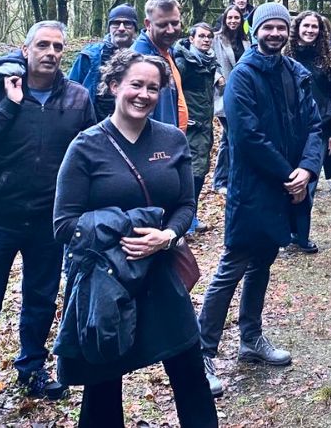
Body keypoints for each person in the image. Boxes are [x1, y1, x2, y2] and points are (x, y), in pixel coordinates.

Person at [52, 50, 218, 428]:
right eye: (136, 85)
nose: (144, 94)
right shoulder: (86, 146)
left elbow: (185, 204)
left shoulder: (172, 140)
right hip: (108, 282)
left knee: (190, 373)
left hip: (161, 274)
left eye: (153, 88)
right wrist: (128, 227)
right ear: (114, 86)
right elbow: (64, 224)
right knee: (103, 386)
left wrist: (168, 235)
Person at [0, 21, 95, 421]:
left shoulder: (78, 98)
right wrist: (8, 105)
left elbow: (89, 155)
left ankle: (32, 369)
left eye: (58, 47)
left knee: (41, 301)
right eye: (42, 45)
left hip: (49, 221)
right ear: (25, 50)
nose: (51, 53)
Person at [199, 3, 323, 397]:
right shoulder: (243, 76)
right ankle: (202, 352)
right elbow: (247, 136)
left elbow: (314, 125)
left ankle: (250, 339)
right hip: (253, 189)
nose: (275, 33)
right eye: (268, 27)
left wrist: (308, 168)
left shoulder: (295, 73)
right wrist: (289, 175)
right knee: (233, 265)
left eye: (280, 27)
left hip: (288, 187)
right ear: (256, 32)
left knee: (263, 262)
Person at [285, 11, 331, 251]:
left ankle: (301, 235)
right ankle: (285, 231)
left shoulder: (328, 56)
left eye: (314, 27)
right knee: (287, 178)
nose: (310, 30)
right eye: (306, 26)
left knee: (308, 181)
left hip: (319, 127)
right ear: (297, 28)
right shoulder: (285, 55)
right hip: (288, 126)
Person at [173, 22, 218, 233]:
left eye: (209, 37)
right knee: (191, 174)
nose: (206, 40)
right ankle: (185, 222)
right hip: (189, 129)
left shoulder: (208, 62)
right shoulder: (183, 63)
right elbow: (172, 92)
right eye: (201, 36)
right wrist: (182, 118)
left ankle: (190, 218)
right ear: (191, 39)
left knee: (200, 172)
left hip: (204, 127)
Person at [67, 3, 138, 118]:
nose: (121, 28)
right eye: (116, 23)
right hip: (92, 122)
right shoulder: (90, 55)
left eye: (127, 24)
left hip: (132, 121)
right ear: (109, 27)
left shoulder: (143, 56)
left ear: (135, 29)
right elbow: (70, 89)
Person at [133, 0, 187, 130]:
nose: (171, 30)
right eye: (163, 25)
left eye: (175, 23)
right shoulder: (140, 59)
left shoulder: (168, 50)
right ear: (148, 24)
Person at [211, 4, 247, 193]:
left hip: (242, 95)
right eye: (230, 18)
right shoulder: (216, 39)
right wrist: (217, 77)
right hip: (224, 95)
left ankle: (225, 178)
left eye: (236, 18)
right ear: (225, 19)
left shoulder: (246, 41)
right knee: (231, 136)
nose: (233, 21)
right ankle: (225, 179)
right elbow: (208, 60)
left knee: (230, 138)